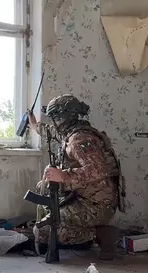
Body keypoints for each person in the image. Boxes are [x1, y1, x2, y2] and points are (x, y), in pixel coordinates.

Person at [27, 94, 126, 260]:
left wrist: (63, 175)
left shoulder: (80, 140)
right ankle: (81, 229)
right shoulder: (71, 134)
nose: (54, 122)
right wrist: (35, 125)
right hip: (83, 196)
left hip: (96, 205)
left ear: (63, 117)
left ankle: (101, 234)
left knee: (43, 232)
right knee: (42, 188)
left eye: (55, 118)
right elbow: (52, 132)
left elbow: (98, 170)